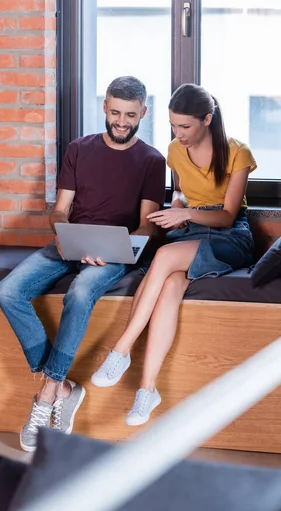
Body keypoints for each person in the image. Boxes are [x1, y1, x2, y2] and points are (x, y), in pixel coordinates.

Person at [0, 76, 166, 451]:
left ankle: (48, 393)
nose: (122, 122)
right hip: (69, 243)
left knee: (81, 290)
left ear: (143, 114)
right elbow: (59, 211)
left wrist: (118, 247)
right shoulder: (78, 149)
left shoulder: (153, 160)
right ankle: (63, 386)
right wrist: (64, 234)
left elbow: (145, 226)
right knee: (8, 291)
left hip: (114, 251)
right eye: (116, 112)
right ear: (104, 106)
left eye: (131, 116)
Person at [91, 83, 257, 426]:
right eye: (173, 125)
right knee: (169, 287)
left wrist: (186, 214)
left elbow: (227, 216)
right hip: (192, 231)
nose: (178, 134)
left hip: (230, 236)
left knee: (165, 256)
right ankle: (147, 390)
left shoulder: (238, 153)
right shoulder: (174, 150)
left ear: (207, 119)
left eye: (185, 126)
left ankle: (120, 350)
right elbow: (181, 191)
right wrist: (176, 210)